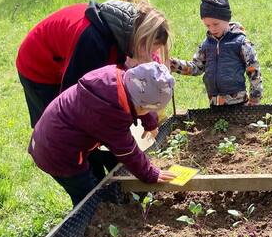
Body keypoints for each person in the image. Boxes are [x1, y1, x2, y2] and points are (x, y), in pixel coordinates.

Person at [17, 0, 170, 179]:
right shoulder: (92, 43)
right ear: (140, 38)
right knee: (69, 131)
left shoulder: (125, 34)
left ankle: (112, 167)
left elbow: (134, 90)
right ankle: (91, 181)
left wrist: (149, 119)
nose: (147, 57)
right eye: (148, 51)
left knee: (105, 125)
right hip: (40, 68)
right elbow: (84, 107)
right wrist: (118, 142)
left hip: (70, 57)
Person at [29, 62, 176, 207]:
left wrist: (149, 121)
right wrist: (150, 174)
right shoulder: (110, 114)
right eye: (147, 110)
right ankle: (88, 221)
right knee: (87, 198)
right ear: (142, 106)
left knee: (94, 187)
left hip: (50, 134)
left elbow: (138, 98)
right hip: (57, 155)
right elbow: (127, 151)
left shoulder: (117, 77)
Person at [170, 0, 262, 107]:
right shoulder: (207, 44)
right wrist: (175, 64)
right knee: (219, 125)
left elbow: (254, 70)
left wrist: (255, 97)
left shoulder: (241, 43)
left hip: (238, 102)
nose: (212, 29)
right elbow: (196, 67)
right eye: (207, 25)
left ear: (227, 19)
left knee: (237, 125)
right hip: (214, 103)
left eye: (215, 24)